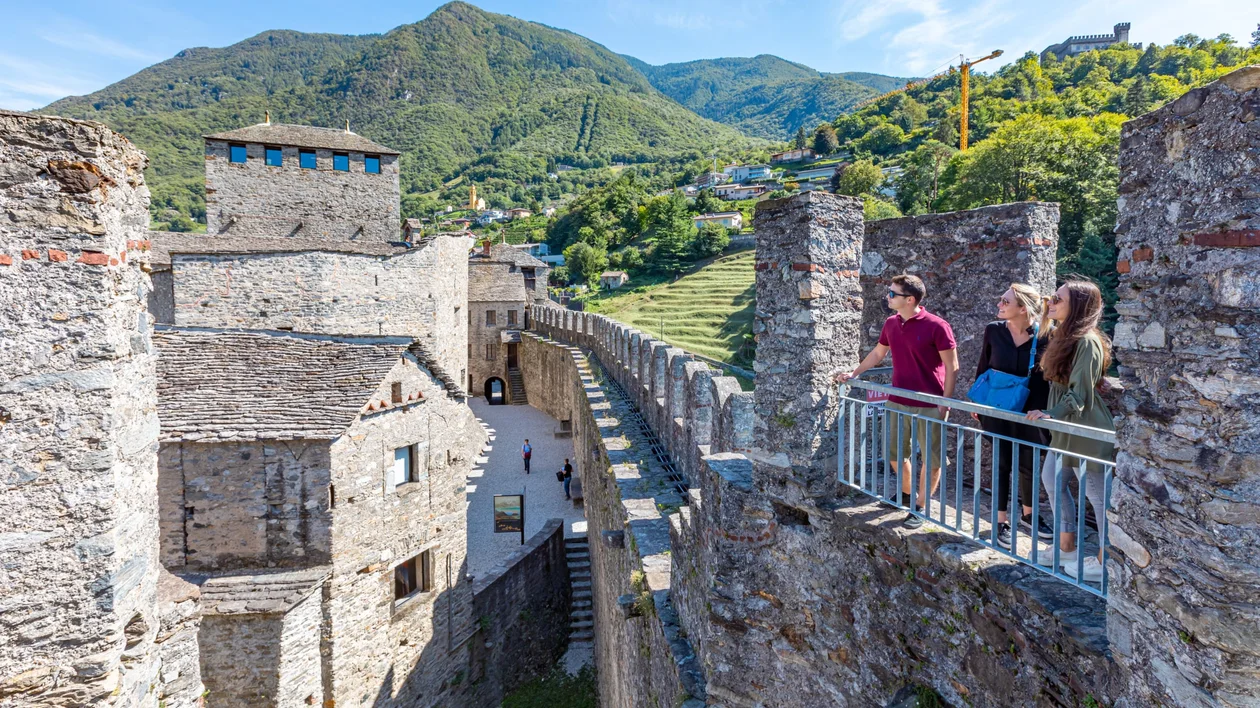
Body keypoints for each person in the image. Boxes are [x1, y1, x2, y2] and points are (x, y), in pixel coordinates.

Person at [836, 274, 959, 528]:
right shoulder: (891, 323)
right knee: (894, 453)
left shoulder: (937, 326)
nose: (887, 297)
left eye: (893, 293)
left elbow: (952, 366)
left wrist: (945, 403)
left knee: (931, 459)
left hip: (930, 402)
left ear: (910, 299)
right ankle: (906, 494)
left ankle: (921, 507)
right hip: (898, 399)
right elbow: (878, 353)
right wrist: (854, 373)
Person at [1026, 280, 1116, 583]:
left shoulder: (1087, 341)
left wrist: (1049, 414)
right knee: (1051, 479)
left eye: (1058, 299)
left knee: (1098, 497)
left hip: (1087, 429)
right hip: (1065, 430)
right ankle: (1065, 546)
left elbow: (1080, 394)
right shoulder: (1062, 336)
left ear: (1076, 305)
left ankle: (1106, 560)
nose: (1050, 303)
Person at [973, 284, 1055, 549]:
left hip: (1032, 410)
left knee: (1029, 463)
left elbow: (1055, 375)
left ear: (1023, 308)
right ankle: (1000, 520)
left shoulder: (1048, 336)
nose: (999, 305)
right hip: (997, 406)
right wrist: (977, 401)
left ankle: (1029, 515)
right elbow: (984, 366)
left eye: (1005, 301)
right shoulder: (994, 331)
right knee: (1002, 462)